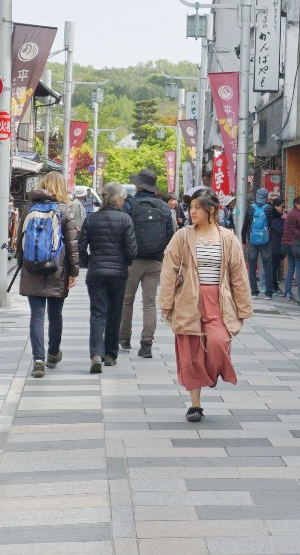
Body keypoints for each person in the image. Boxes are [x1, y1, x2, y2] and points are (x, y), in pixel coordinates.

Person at [159, 188, 253, 422]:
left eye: (197, 208)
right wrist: (166, 302)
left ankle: (210, 375)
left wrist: (243, 307)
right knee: (190, 353)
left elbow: (238, 274)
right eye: (191, 208)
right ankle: (195, 405)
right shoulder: (182, 236)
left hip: (218, 301)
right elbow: (169, 269)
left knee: (219, 342)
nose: (192, 212)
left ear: (211, 210)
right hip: (189, 300)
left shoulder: (227, 238)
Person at [17, 173, 79, 379]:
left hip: (31, 268)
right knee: (55, 314)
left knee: (36, 315)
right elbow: (72, 245)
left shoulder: (29, 208)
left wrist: (21, 265)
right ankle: (53, 354)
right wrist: (74, 272)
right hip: (57, 270)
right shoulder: (64, 210)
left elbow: (19, 240)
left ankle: (38, 360)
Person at [120, 169, 178, 358]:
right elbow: (170, 234)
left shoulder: (129, 204)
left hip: (132, 261)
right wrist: (159, 251)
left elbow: (123, 231)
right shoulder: (163, 207)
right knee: (149, 303)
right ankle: (146, 344)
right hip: (154, 261)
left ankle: (125, 338)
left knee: (127, 300)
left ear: (138, 186)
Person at [80, 180, 136, 372]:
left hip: (96, 271)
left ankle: (96, 353)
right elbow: (131, 251)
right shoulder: (125, 220)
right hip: (118, 273)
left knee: (97, 313)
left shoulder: (91, 219)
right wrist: (125, 263)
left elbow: (81, 247)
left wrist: (89, 263)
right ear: (118, 199)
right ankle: (111, 354)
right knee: (115, 313)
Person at [242, 189, 283, 297]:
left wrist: (243, 240)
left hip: (252, 241)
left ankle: (254, 292)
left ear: (256, 196)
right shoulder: (269, 208)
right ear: (266, 197)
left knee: (252, 266)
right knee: (267, 267)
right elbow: (279, 216)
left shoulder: (251, 208)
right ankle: (269, 293)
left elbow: (245, 225)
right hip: (266, 240)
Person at [279, 194, 300, 300]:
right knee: (299, 270)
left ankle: (288, 293)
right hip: (297, 245)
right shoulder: (299, 214)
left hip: (288, 245)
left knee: (290, 268)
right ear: (297, 204)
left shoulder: (290, 213)